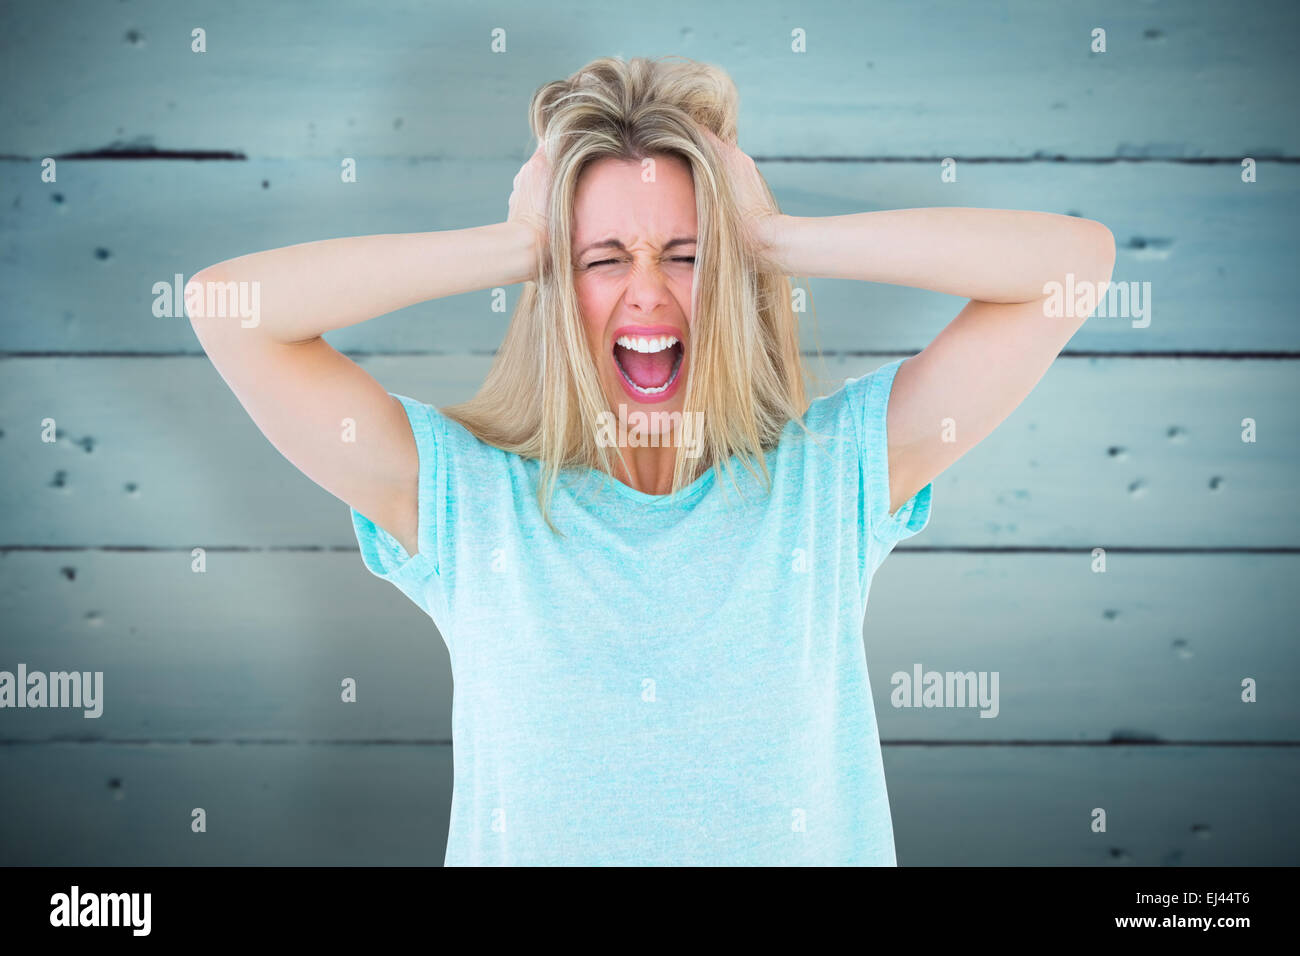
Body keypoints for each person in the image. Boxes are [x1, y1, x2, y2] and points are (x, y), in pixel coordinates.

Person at [187, 55, 1115, 865]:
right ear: (555, 284)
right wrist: (519, 244)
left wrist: (772, 238)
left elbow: (1069, 267)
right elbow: (230, 310)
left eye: (685, 255)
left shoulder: (829, 479)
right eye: (602, 261)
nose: (646, 294)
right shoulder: (468, 499)